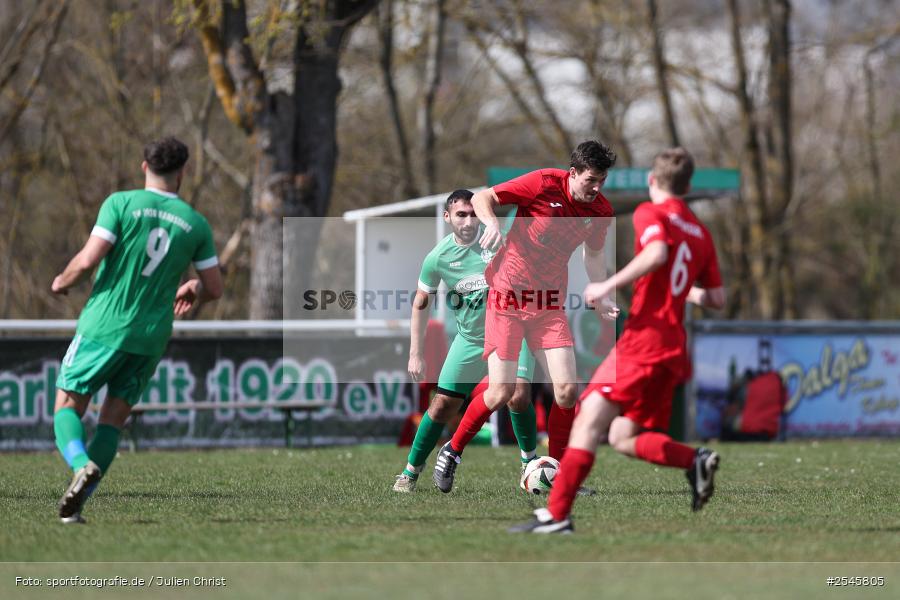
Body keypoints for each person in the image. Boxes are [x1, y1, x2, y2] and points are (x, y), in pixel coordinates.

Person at [511, 147, 726, 534]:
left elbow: (658, 252)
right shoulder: (702, 233)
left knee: (588, 422)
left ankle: (556, 515)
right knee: (625, 437)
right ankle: (695, 459)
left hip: (644, 341)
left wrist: (606, 285)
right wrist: (681, 293)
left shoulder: (650, 212)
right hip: (674, 347)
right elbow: (715, 299)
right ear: (689, 185)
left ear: (651, 181)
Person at [50, 137, 223, 523]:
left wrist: (63, 280)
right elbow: (213, 288)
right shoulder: (195, 224)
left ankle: (80, 464)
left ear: (145, 167)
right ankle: (76, 509)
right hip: (150, 336)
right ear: (183, 172)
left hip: (104, 326)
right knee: (112, 421)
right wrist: (193, 287)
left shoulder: (121, 204)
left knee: (67, 405)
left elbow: (89, 259)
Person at [432, 141, 620, 493]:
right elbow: (484, 198)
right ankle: (452, 451)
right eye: (591, 179)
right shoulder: (543, 183)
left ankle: (563, 476)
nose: (596, 188)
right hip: (506, 299)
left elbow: (593, 257)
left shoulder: (599, 209)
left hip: (548, 305)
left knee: (566, 392)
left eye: (602, 181)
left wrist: (600, 291)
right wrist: (490, 225)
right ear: (573, 172)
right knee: (501, 391)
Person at [394, 190, 538, 493]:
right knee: (442, 405)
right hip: (471, 339)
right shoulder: (438, 258)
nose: (469, 220)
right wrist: (415, 353)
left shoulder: (498, 237)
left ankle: (530, 465)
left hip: (513, 332)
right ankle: (409, 473)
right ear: (447, 217)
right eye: (461, 214)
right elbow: (421, 302)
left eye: (474, 213)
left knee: (519, 394)